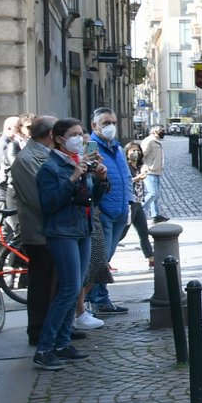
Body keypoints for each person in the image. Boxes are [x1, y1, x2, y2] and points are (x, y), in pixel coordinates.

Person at [35, 119, 108, 371]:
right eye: (73, 134)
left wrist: (99, 180)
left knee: (75, 287)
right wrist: (75, 176)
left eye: (81, 134)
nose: (79, 138)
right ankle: (45, 347)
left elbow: (90, 200)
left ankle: (62, 344)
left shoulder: (79, 162)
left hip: (81, 230)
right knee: (68, 289)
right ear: (58, 138)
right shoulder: (50, 168)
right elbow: (50, 203)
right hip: (61, 232)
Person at [11, 116, 61, 348]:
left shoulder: (48, 154)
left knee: (56, 281)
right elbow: (39, 199)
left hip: (54, 230)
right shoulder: (27, 159)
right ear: (51, 134)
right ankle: (39, 330)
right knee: (42, 282)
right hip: (40, 231)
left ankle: (56, 328)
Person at [84, 108, 131, 317]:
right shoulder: (91, 148)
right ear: (94, 126)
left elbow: (126, 175)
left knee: (105, 259)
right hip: (103, 212)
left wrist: (131, 200)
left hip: (121, 210)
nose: (110, 126)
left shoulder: (118, 147)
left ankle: (96, 298)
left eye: (112, 121)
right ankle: (97, 299)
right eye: (105, 123)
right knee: (100, 259)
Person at [123, 141, 155, 267]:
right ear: (127, 153)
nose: (136, 153)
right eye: (132, 151)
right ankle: (106, 258)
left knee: (144, 232)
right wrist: (137, 179)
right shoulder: (125, 166)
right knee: (120, 233)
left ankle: (151, 258)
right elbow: (125, 182)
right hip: (130, 203)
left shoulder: (138, 167)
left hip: (138, 203)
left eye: (137, 150)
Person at [139, 125, 167, 223]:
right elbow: (141, 155)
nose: (163, 132)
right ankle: (138, 211)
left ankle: (155, 216)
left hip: (157, 171)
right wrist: (142, 168)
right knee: (152, 193)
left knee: (156, 195)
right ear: (154, 131)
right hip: (149, 171)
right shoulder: (149, 141)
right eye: (161, 130)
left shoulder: (157, 142)